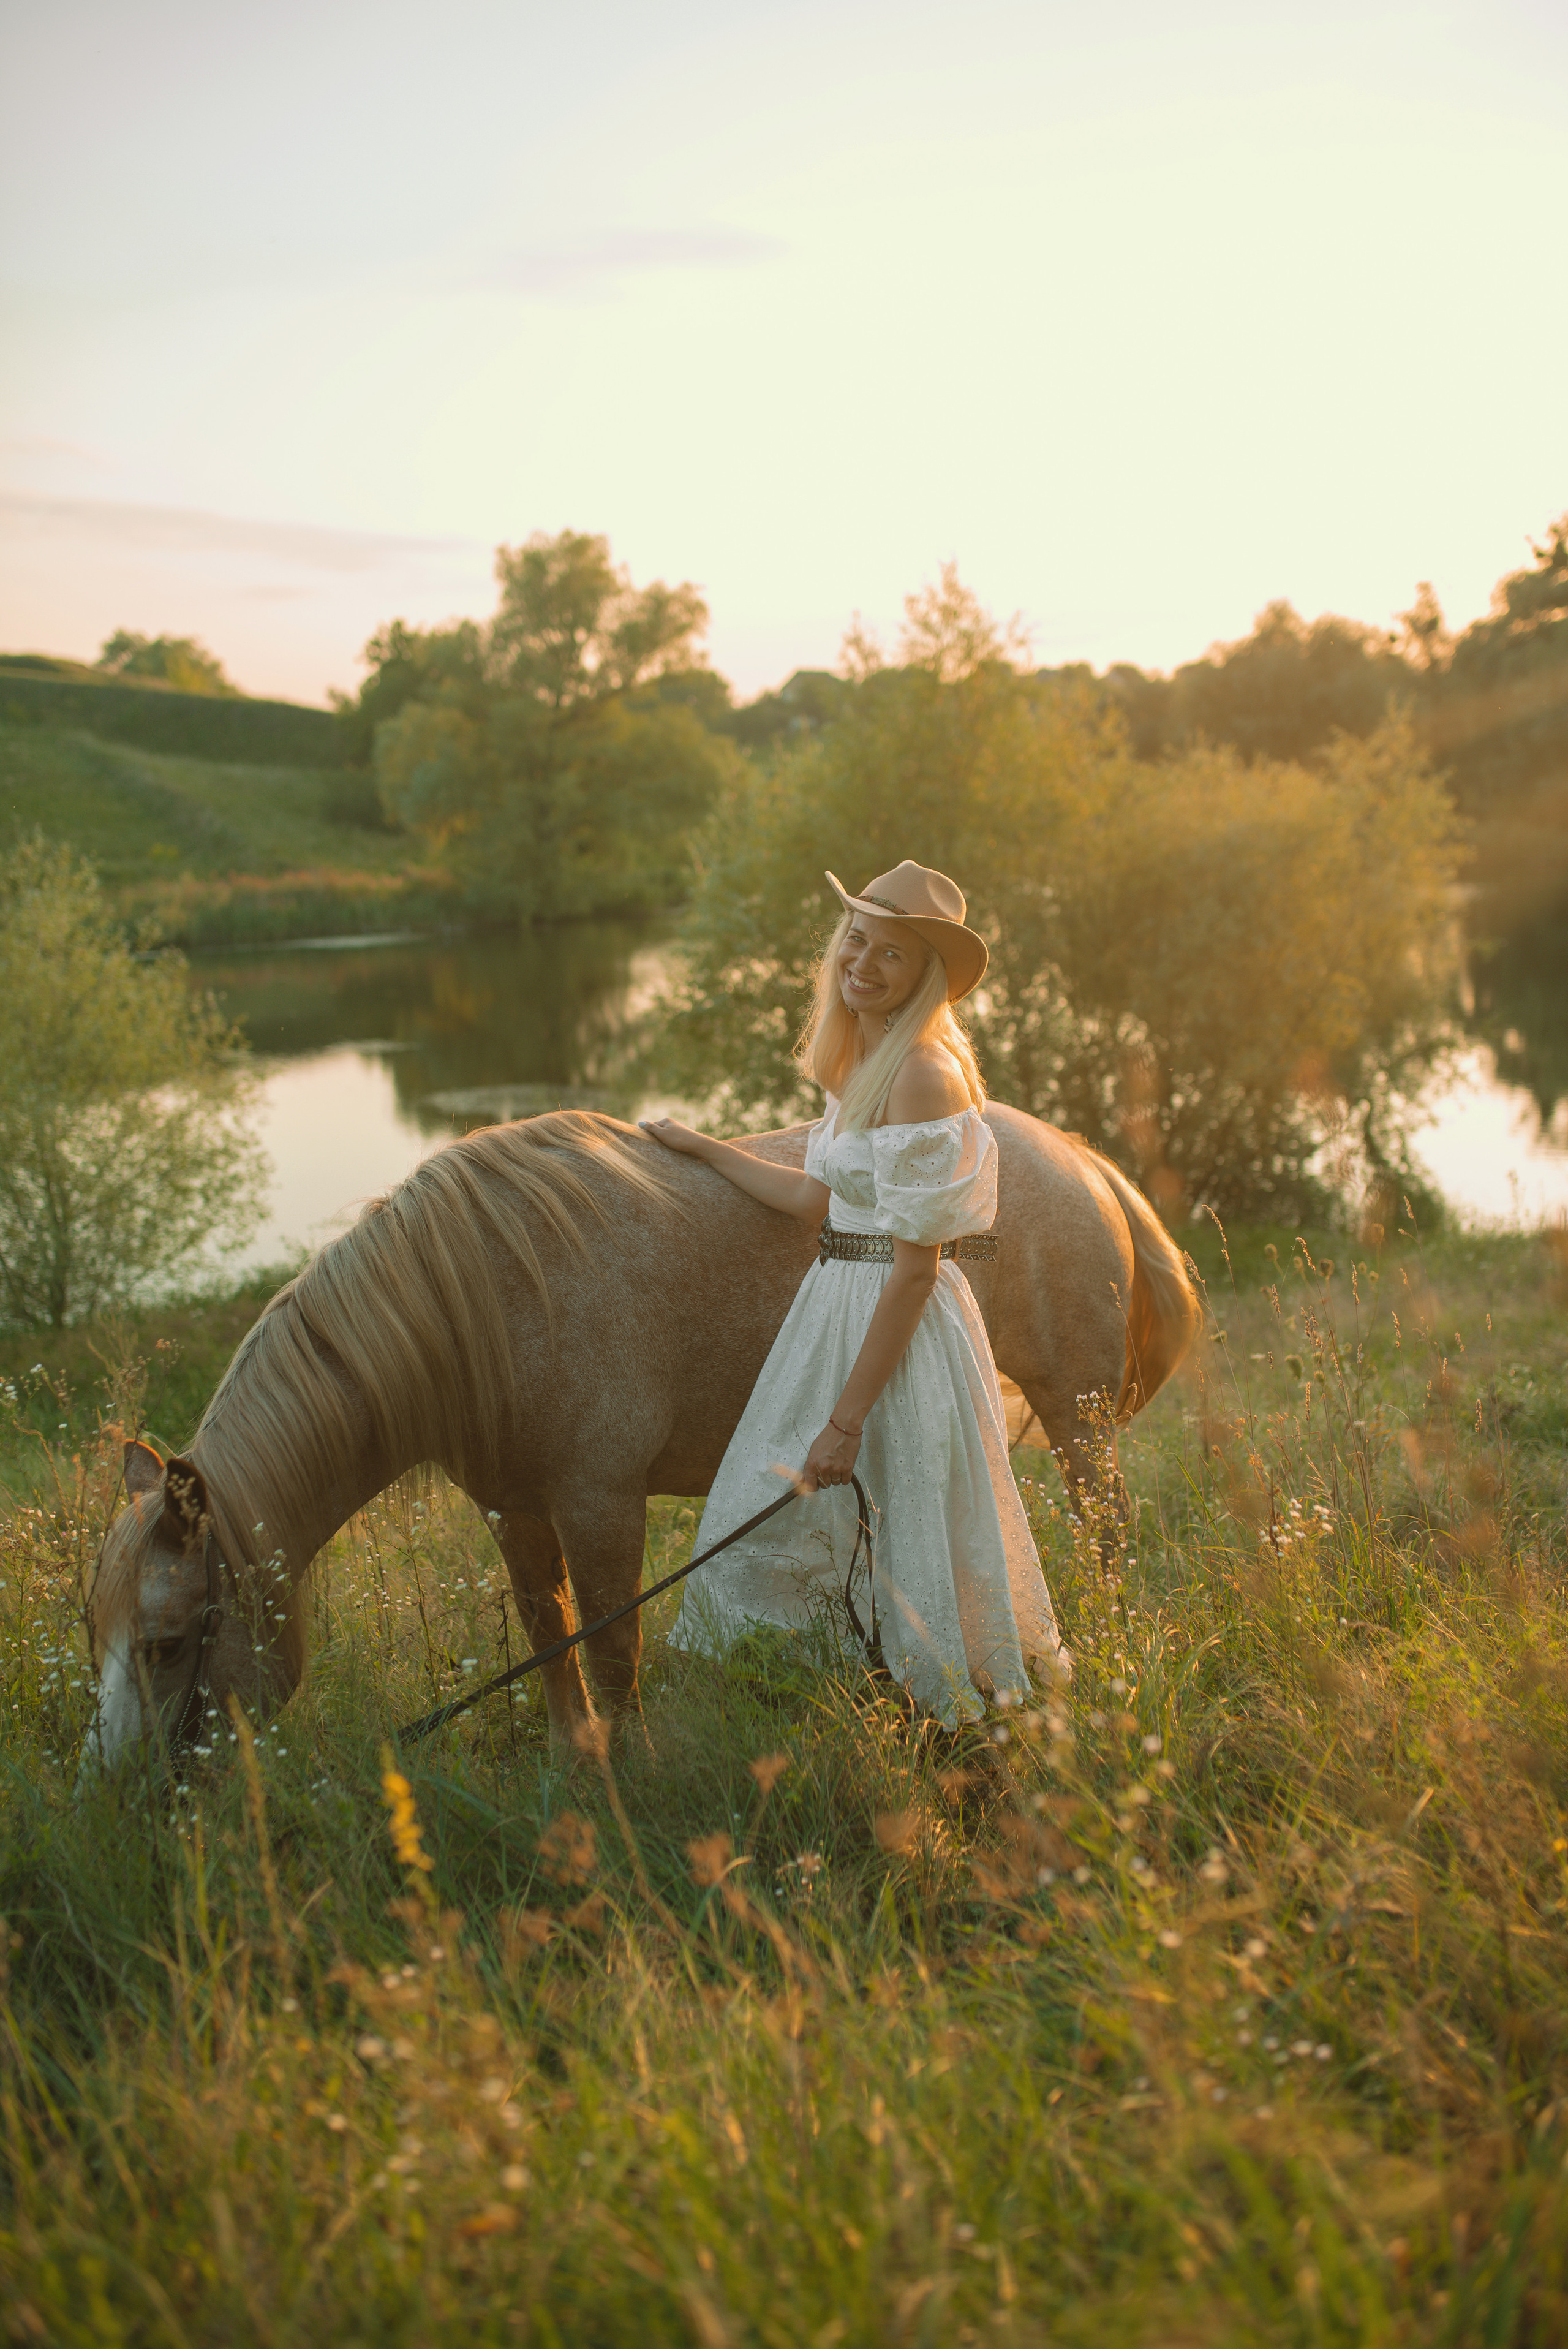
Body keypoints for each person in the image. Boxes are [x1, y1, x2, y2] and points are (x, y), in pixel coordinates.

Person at [641, 861, 1067, 1725]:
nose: (863, 963)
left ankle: (947, 1716)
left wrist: (847, 1416)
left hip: (893, 1320)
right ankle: (842, 1696)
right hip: (833, 1301)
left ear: (925, 976)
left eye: (893, 954)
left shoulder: (922, 1073)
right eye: (857, 940)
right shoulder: (867, 1058)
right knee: (792, 1513)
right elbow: (814, 1197)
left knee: (899, 1508)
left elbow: (915, 1267)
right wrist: (701, 1147)